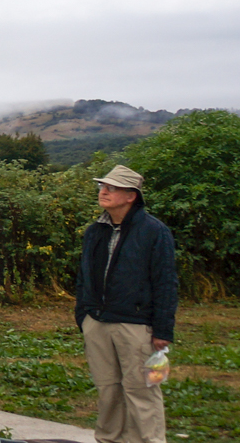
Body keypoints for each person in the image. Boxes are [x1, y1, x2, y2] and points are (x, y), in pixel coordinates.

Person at [75, 164, 178, 443]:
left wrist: (163, 330)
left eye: (112, 187)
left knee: (142, 390)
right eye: (102, 186)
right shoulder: (94, 231)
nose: (103, 191)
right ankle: (109, 439)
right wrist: (83, 317)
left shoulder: (154, 231)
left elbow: (166, 282)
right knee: (108, 390)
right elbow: (83, 276)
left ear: (131, 195)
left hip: (136, 326)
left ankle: (148, 440)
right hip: (97, 323)